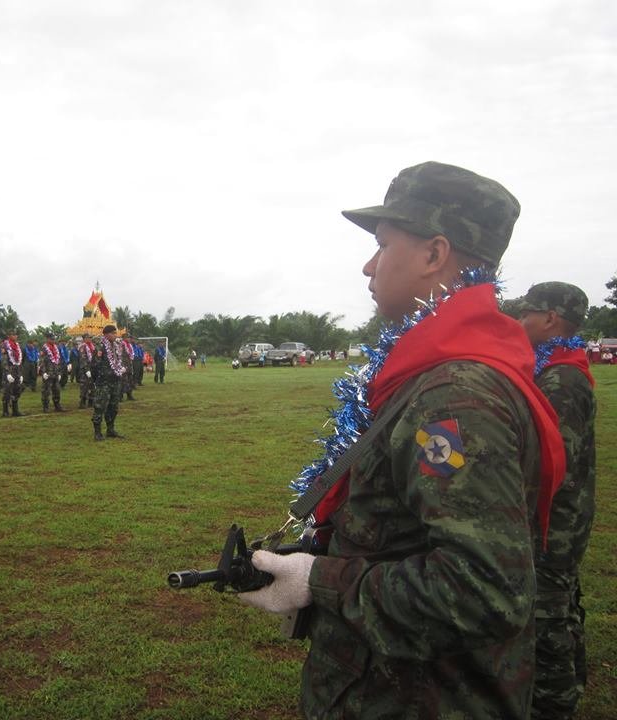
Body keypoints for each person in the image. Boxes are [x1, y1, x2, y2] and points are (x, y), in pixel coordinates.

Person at [238, 161, 565, 719]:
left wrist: (320, 580)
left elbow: (484, 591)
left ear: (434, 254)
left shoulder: (454, 396)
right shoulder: (438, 370)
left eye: (383, 245)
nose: (369, 266)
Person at [517, 281, 597, 720]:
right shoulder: (558, 368)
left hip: (554, 526)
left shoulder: (561, 379)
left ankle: (553, 703)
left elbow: (551, 461)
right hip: (560, 521)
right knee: (560, 604)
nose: (519, 321)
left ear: (550, 319)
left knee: (547, 616)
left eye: (526, 313)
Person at [91, 324, 125, 441]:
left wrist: (120, 369)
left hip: (115, 381)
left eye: (116, 333)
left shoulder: (116, 346)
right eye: (113, 333)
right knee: (100, 407)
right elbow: (94, 365)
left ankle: (110, 430)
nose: (115, 335)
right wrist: (98, 380)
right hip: (104, 382)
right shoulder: (100, 347)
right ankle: (97, 432)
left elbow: (118, 361)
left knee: (113, 407)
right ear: (106, 335)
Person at [38, 332, 66, 413]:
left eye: (54, 339)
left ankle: (57, 405)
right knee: (46, 391)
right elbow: (41, 361)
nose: (53, 340)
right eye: (51, 339)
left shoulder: (56, 348)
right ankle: (45, 406)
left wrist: (59, 372)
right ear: (47, 339)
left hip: (55, 372)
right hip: (48, 373)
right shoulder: (44, 348)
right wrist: (43, 372)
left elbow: (58, 360)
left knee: (57, 390)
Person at [1, 330, 24, 417]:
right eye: (13, 335)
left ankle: (15, 410)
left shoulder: (17, 345)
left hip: (17, 370)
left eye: (16, 335)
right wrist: (7, 373)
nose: (15, 336)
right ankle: (5, 411)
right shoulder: (5, 345)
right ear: (9, 336)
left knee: (17, 390)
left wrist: (20, 374)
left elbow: (19, 361)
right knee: (7, 391)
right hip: (9, 371)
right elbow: (4, 360)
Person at [77, 333, 96, 408]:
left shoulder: (92, 346)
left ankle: (91, 401)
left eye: (90, 338)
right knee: (84, 386)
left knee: (92, 385)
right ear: (84, 338)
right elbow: (83, 359)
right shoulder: (82, 347)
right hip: (85, 370)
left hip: (92, 368)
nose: (90, 339)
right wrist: (87, 370)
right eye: (88, 338)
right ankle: (82, 402)